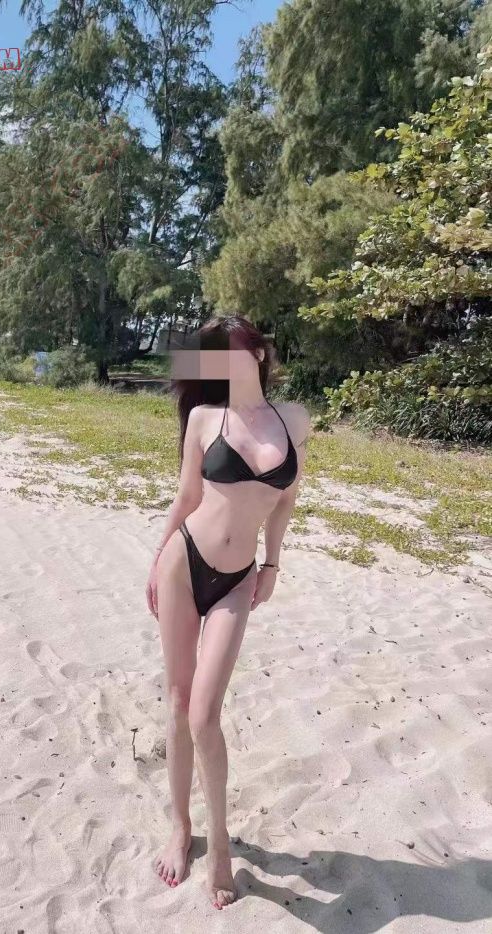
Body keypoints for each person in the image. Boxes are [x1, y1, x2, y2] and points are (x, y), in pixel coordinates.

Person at [146, 314, 311, 910]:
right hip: (183, 562)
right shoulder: (203, 418)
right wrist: (155, 560)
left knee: (205, 714)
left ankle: (219, 847)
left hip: (238, 580)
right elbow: (187, 497)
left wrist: (272, 564)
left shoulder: (295, 420)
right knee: (178, 701)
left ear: (258, 354)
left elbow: (285, 500)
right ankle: (180, 827)